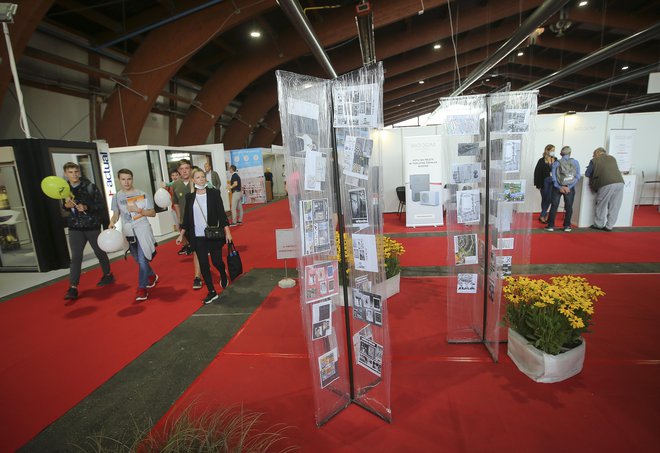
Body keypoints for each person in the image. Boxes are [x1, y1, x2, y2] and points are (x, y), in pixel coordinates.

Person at [176, 169, 233, 304]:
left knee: (216, 261)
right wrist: (181, 235)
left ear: (205, 179)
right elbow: (187, 219)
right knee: (203, 264)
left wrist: (228, 232)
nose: (201, 179)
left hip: (213, 235)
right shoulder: (190, 197)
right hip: (197, 237)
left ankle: (223, 273)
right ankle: (212, 292)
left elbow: (221, 214)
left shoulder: (214, 194)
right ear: (193, 180)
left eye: (203, 177)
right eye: (198, 177)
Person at [62, 162, 114, 300]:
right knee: (76, 257)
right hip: (75, 227)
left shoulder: (90, 186)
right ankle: (73, 287)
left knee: (99, 252)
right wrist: (66, 206)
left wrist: (86, 207)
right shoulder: (64, 189)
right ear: (65, 173)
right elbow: (66, 206)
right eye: (71, 172)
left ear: (79, 172)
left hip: (92, 225)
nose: (74, 174)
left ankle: (108, 275)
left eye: (76, 171)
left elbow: (100, 205)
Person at [108, 169, 159, 302]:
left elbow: (153, 213)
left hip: (142, 229)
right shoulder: (117, 196)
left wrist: (139, 210)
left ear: (132, 179)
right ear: (119, 180)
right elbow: (116, 214)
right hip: (128, 232)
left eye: (129, 179)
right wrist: (112, 222)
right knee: (137, 259)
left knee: (142, 260)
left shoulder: (142, 194)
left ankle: (142, 289)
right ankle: (152, 275)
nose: (126, 182)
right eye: (123, 179)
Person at [171, 159, 204, 290]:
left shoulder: (197, 181)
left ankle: (199, 275)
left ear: (190, 169)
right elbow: (176, 203)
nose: (184, 171)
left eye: (187, 168)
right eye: (182, 169)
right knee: (196, 249)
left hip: (200, 222)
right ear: (178, 171)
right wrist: (180, 219)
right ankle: (198, 275)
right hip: (186, 224)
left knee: (199, 249)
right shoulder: (175, 185)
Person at [585, 147, 624, 231]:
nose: (593, 155)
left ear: (598, 153)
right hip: (620, 182)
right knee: (615, 205)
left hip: (606, 183)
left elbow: (587, 173)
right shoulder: (612, 158)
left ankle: (598, 224)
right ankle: (609, 226)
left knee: (601, 204)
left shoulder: (594, 160)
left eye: (594, 153)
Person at [545, 146, 581, 232]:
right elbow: (577, 176)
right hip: (570, 188)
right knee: (568, 207)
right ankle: (567, 226)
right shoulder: (575, 162)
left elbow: (553, 177)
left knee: (554, 206)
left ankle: (550, 226)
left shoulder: (556, 163)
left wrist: (559, 186)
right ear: (570, 153)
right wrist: (569, 187)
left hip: (558, 187)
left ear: (561, 153)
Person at [533, 144, 556, 224]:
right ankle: (544, 214)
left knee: (549, 199)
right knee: (544, 199)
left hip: (553, 183)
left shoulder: (555, 160)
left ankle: (542, 215)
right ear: (547, 150)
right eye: (552, 150)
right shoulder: (541, 160)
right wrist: (537, 184)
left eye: (554, 150)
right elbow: (537, 173)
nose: (553, 152)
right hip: (543, 183)